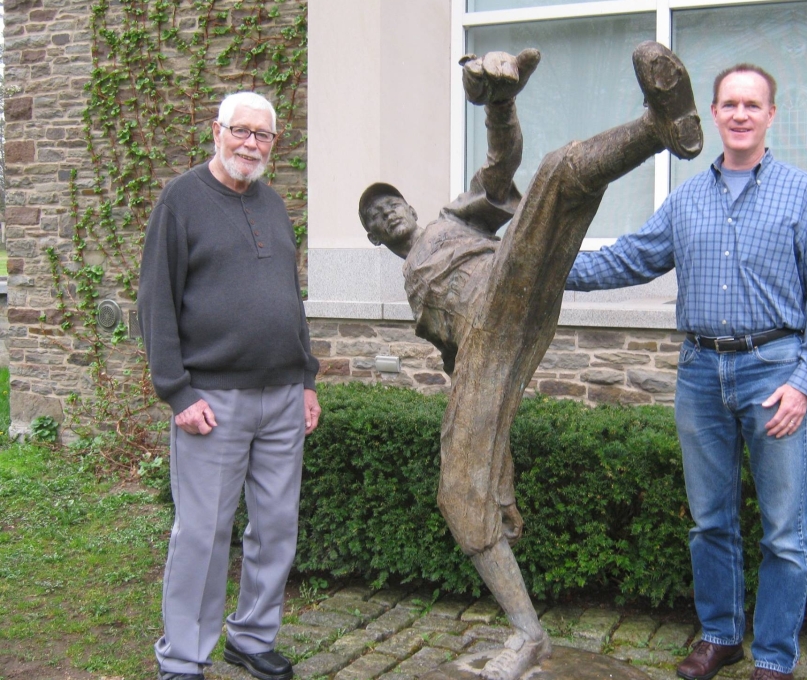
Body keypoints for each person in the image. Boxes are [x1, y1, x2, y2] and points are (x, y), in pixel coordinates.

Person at [358, 43, 702, 680]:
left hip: (507, 286)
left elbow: (500, 166)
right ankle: (528, 633)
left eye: (392, 202)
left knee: (553, 173)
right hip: (486, 347)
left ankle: (661, 126)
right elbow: (466, 376)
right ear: (376, 238)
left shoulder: (451, 218)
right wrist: (499, 475)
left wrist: (501, 104)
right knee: (459, 493)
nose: (390, 211)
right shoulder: (412, 293)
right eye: (378, 216)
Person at [566, 64, 807, 680]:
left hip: (774, 374)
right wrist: (546, 266)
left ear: (772, 114)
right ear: (713, 115)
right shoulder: (687, 197)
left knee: (784, 533)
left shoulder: (805, 195)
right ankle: (721, 637)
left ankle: (773, 656)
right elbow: (631, 258)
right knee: (710, 520)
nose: (740, 114)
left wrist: (803, 383)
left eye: (752, 104)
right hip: (699, 374)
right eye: (729, 104)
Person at [138, 91, 321, 680]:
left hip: (281, 399)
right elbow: (156, 302)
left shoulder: (272, 204)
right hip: (211, 402)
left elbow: (291, 300)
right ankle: (185, 658)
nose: (250, 144)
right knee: (203, 534)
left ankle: (251, 637)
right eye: (240, 131)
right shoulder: (182, 200)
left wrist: (306, 379)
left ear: (274, 142)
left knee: (276, 527)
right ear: (215, 130)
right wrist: (177, 391)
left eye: (262, 135)